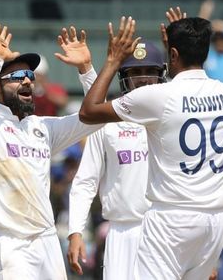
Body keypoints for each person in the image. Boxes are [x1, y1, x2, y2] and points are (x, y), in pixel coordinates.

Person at [78, 9, 223, 280]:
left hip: (172, 219)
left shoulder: (159, 97)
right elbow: (186, 89)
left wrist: (114, 60)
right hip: (216, 219)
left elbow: (88, 112)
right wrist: (175, 48)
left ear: (173, 55)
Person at [0, 23, 103, 279]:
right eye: (17, 77)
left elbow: (96, 118)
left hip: (46, 238)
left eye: (30, 76)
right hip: (9, 242)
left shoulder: (42, 128)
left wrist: (86, 69)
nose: (27, 80)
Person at [66, 40, 165, 278]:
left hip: (163, 231)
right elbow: (86, 180)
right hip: (121, 233)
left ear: (161, 76)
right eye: (135, 72)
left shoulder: (171, 118)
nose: (143, 79)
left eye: (150, 72)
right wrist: (75, 231)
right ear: (123, 78)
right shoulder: (108, 121)